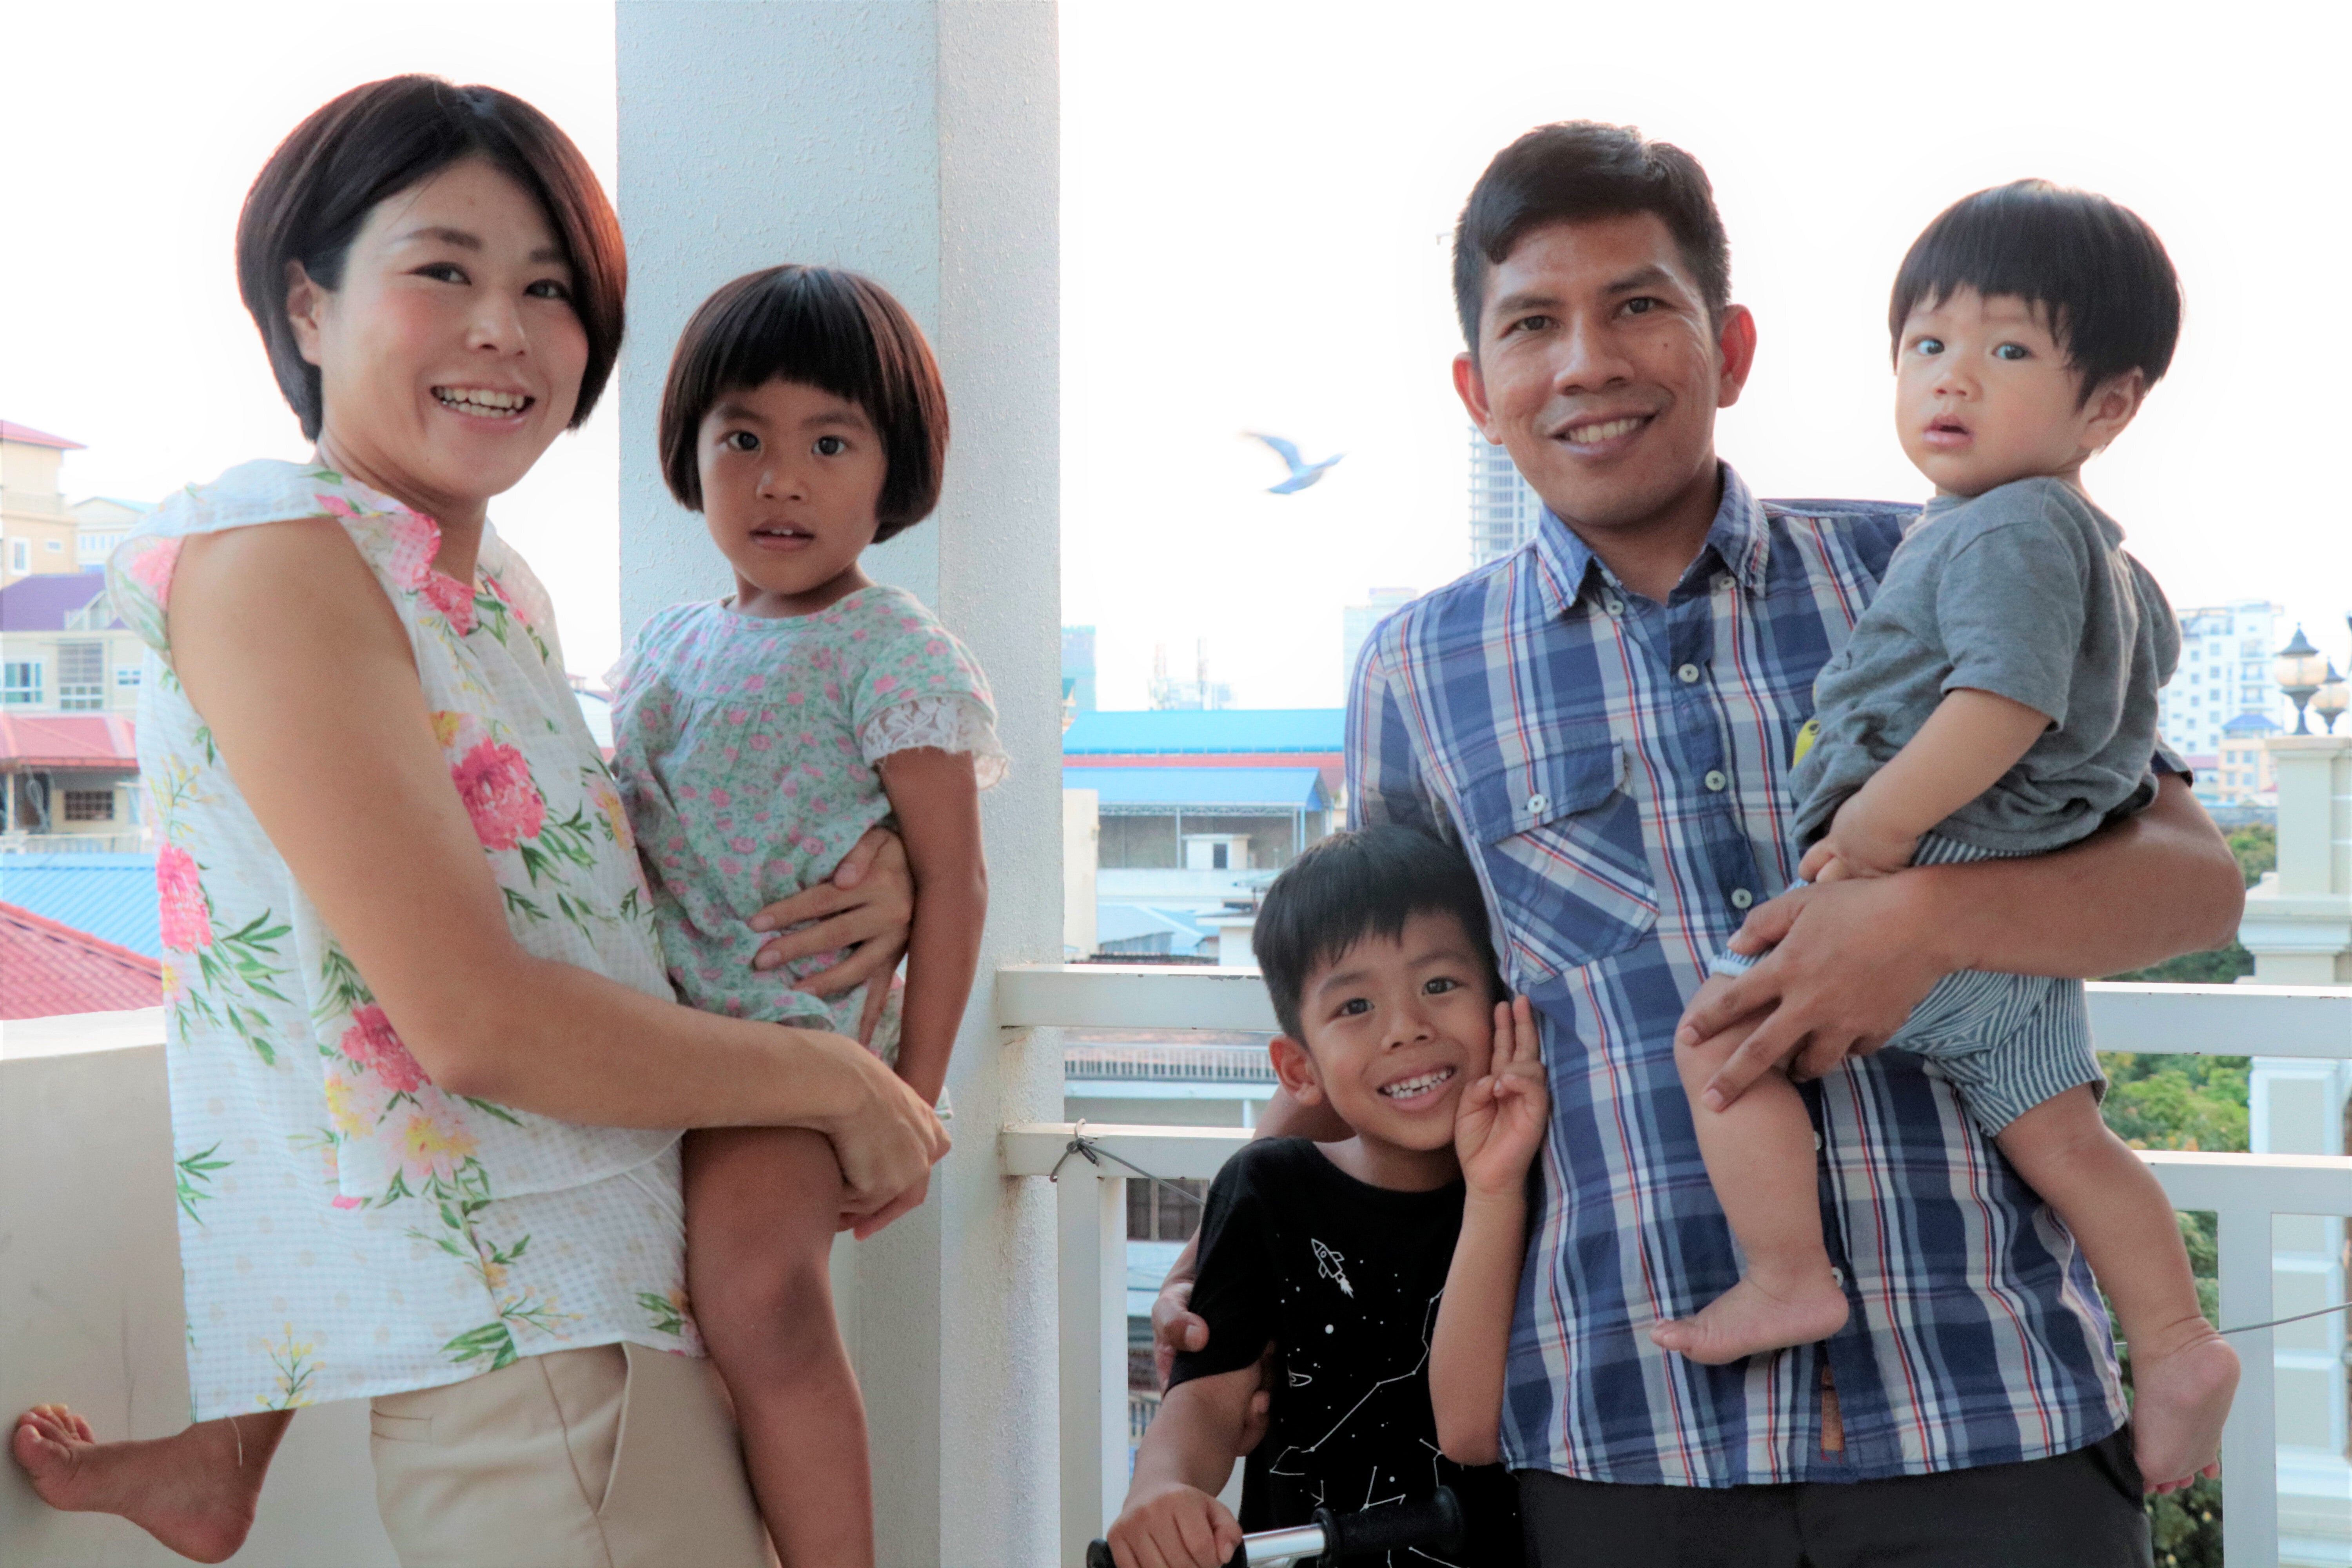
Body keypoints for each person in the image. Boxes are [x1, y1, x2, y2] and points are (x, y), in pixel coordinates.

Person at [1156, 122, 2245, 1567]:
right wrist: (1237, 1239)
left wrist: (1922, 924)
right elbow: (1389, 1006)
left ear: (1730, 350)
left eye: (1638, 306)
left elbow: (2196, 887)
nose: (1587, 362)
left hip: (1994, 1410)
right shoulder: (1419, 672)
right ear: (1478, 391)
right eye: (1533, 325)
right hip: (1624, 1442)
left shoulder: (1940, 558)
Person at [8, 77, 945, 1567]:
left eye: (550, 288)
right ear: (307, 306)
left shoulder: (485, 585)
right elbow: (476, 1021)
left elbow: (587, 899)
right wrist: (839, 1078)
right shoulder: (280, 556)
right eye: (445, 269)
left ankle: (222, 1463)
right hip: (539, 1368)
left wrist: (872, 875)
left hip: (613, 1306)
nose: (504, 328)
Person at [1651, 180, 2238, 1498]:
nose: (1951, 377)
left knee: (1720, 1041)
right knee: (2065, 1138)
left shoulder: (2005, 529)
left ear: (2109, 405)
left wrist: (1882, 822)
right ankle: (2176, 1338)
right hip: (2020, 903)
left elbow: (2004, 702)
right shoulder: (2107, 559)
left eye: (2008, 349)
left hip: (1944, 864)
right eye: (1926, 344)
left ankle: (1788, 1275)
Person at [606, 263, 1000, 1565]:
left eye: (830, 444)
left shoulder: (894, 649)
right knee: (681, 1331)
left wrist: (914, 1104)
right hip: (653, 1042)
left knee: (762, 1300)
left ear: (892, 469)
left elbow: (954, 879)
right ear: (692, 453)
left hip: (797, 1049)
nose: (782, 480)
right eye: (744, 440)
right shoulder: (664, 644)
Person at [1103, 826, 1535, 1568]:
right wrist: (1160, 1487)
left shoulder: (1539, 1187)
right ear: (1299, 1070)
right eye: (1355, 1006)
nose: (1406, 1030)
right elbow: (1207, 1399)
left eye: (1439, 985)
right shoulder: (1271, 1191)